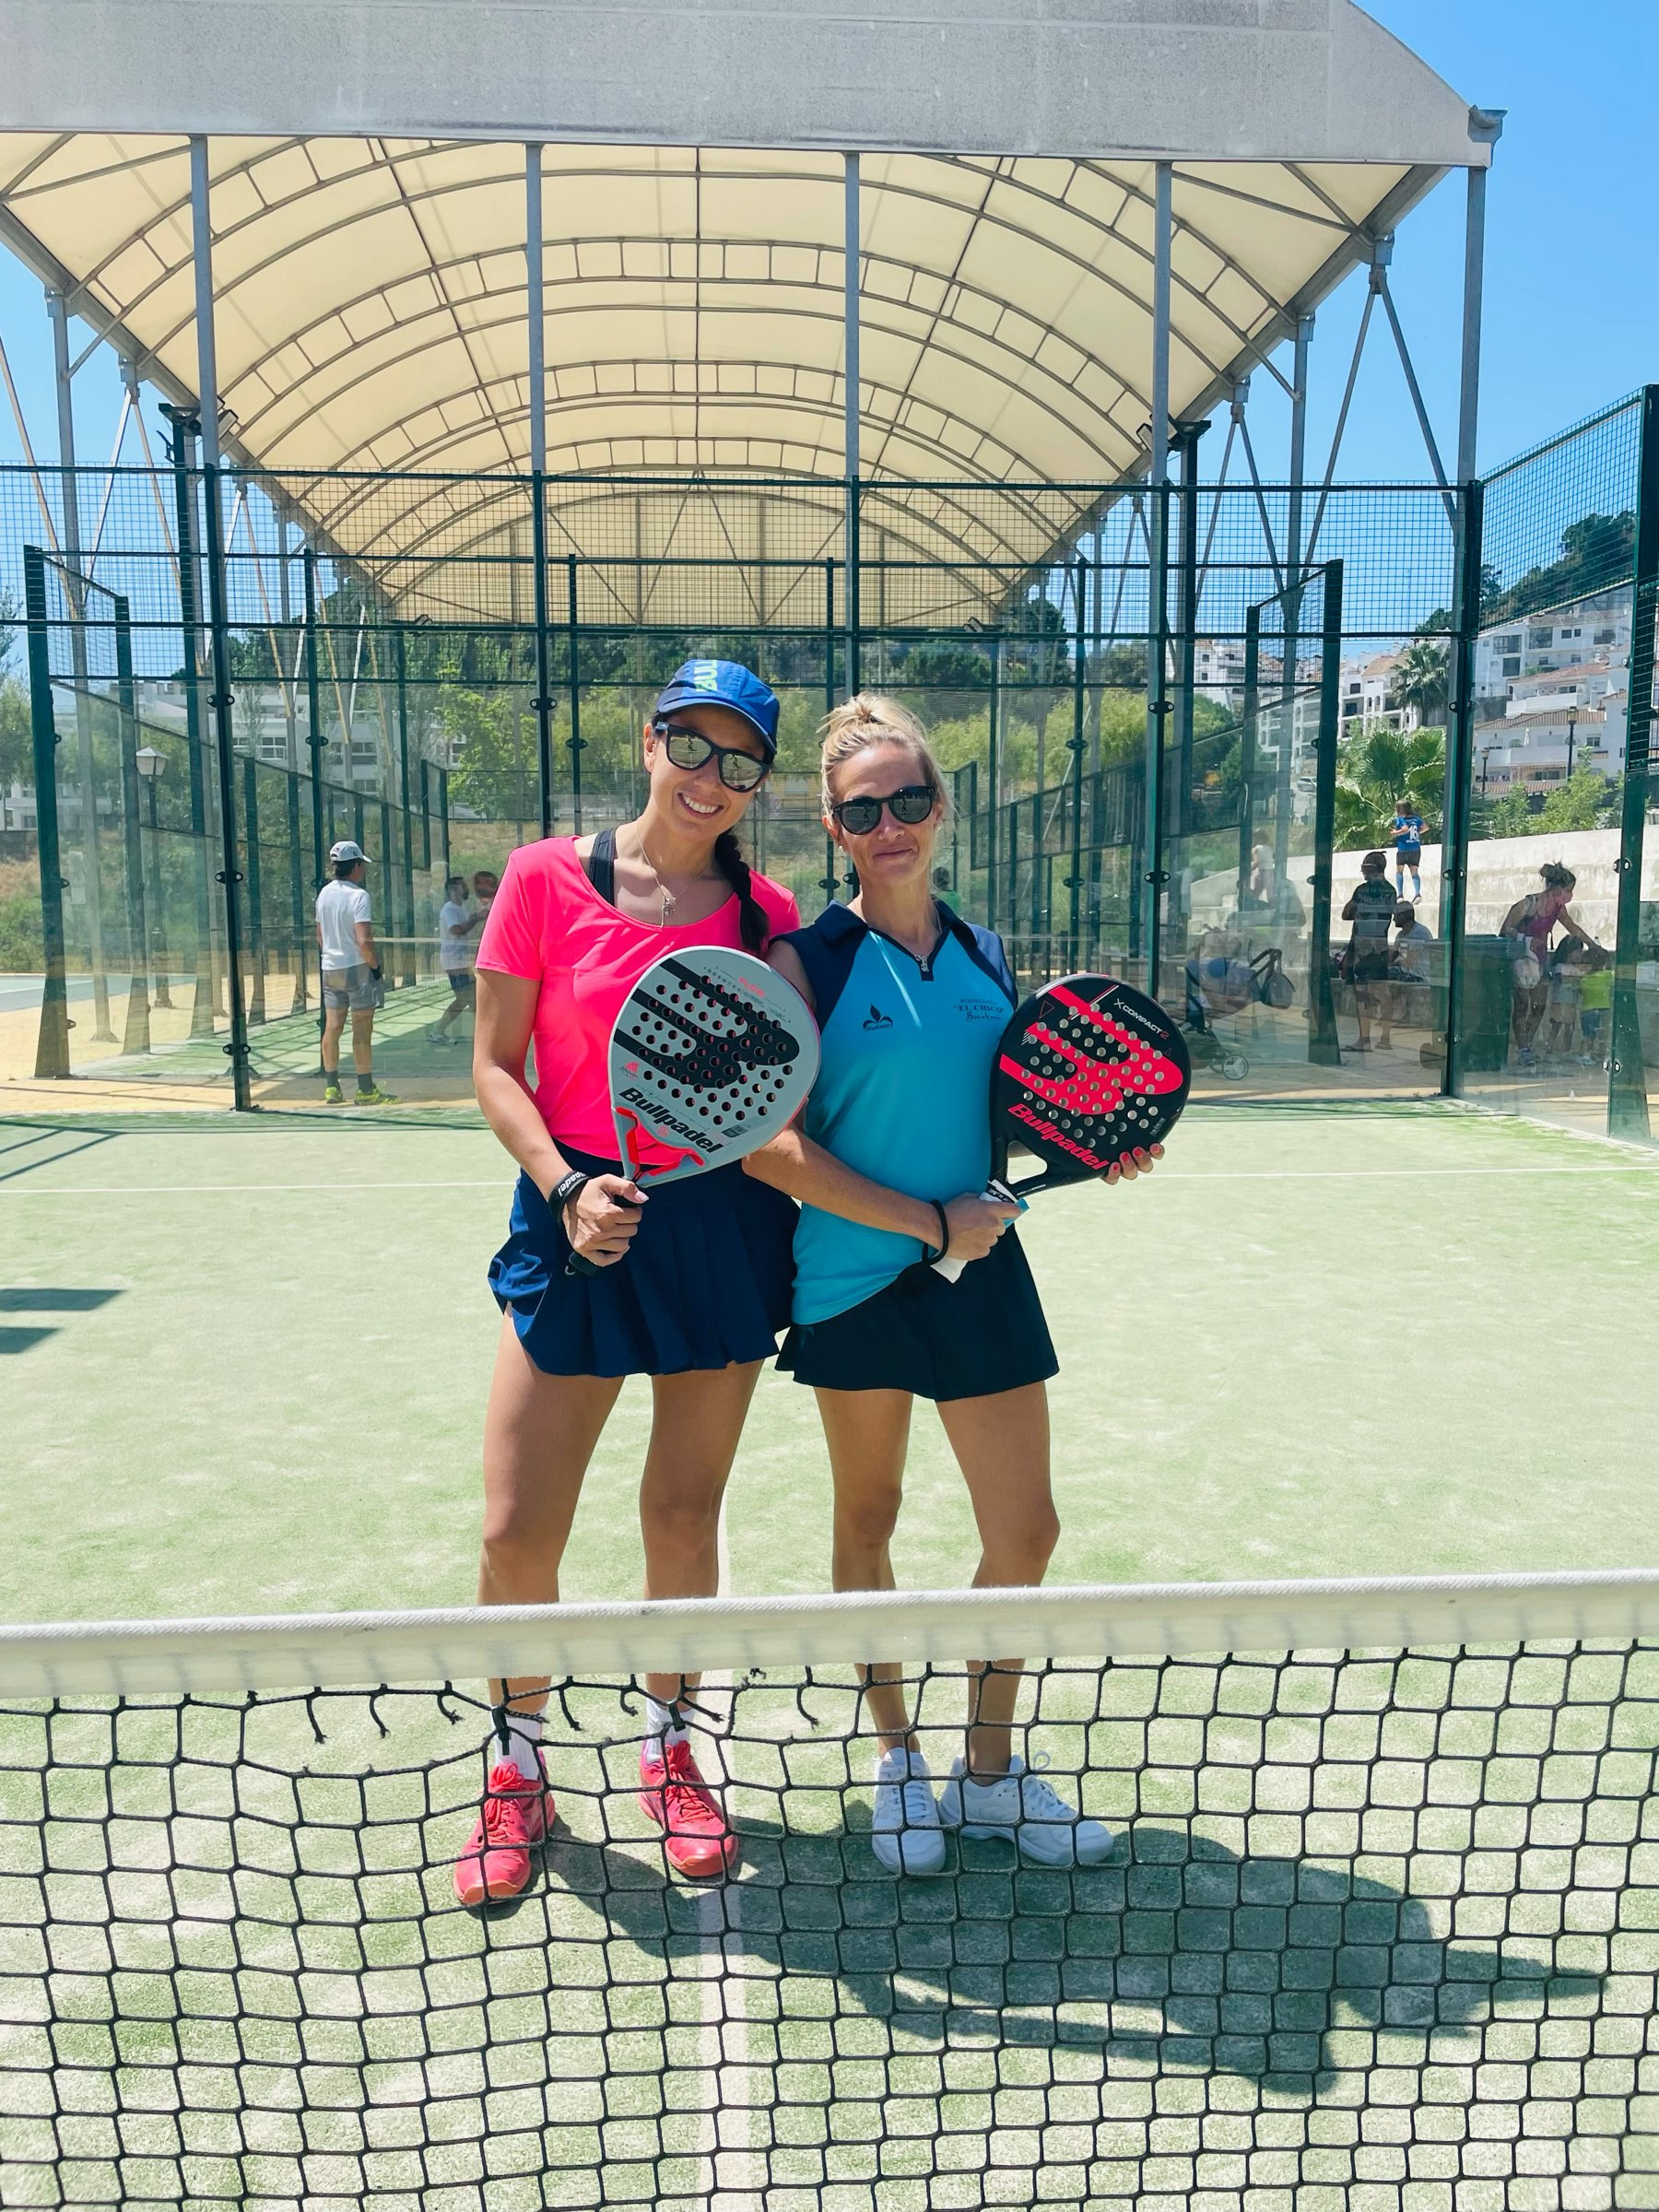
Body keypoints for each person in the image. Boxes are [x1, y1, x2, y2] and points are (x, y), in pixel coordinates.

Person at [747, 696, 1159, 1877]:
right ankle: (899, 1762)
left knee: (1026, 1527)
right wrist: (926, 1224)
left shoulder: (986, 955)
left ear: (942, 807)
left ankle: (987, 1775)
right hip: (853, 1280)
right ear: (833, 828)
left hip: (982, 1270)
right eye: (863, 810)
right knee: (868, 1519)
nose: (890, 826)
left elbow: (1012, 1112)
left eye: (909, 800)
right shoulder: (804, 963)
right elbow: (772, 1147)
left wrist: (1096, 1142)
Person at [454, 661, 802, 1907]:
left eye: (740, 760)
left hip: (720, 1227)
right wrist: (565, 1187)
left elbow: (789, 1084)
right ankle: (517, 1769)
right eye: (691, 746)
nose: (711, 777)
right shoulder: (541, 878)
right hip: (572, 1213)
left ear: (761, 781)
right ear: (650, 743)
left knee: (682, 1515)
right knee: (514, 1531)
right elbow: (495, 1066)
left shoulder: (767, 914)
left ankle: (671, 1750)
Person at [315, 839, 396, 1106]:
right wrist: (375, 969)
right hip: (358, 969)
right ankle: (365, 1089)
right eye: (362, 864)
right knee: (362, 1030)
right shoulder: (359, 896)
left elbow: (320, 936)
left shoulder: (324, 894)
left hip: (330, 969)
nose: (364, 869)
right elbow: (364, 940)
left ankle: (332, 1087)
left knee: (332, 1027)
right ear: (356, 866)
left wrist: (333, 956)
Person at [1500, 863, 1597, 1073]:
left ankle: (1528, 1044)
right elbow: (1506, 929)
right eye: (1569, 890)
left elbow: (1572, 927)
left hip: (1541, 961)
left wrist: (1592, 944)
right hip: (1522, 961)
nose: (1570, 895)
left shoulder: (1558, 909)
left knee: (1539, 1006)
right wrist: (1526, 939)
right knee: (1522, 1006)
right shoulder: (1528, 904)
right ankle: (1523, 1048)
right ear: (1557, 889)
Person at [1341, 851, 1396, 1052]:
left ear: (1372, 868)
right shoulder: (1391, 891)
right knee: (1383, 992)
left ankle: (1364, 1039)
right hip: (1380, 947)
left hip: (1362, 947)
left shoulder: (1361, 890)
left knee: (1362, 993)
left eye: (1365, 867)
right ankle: (1385, 1038)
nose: (1363, 872)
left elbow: (1347, 913)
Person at [428, 874, 481, 1044]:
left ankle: (483, 1033)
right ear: (453, 891)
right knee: (466, 998)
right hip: (454, 962)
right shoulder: (449, 909)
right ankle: (437, 1031)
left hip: (461, 961)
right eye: (462, 886)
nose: (466, 889)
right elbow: (457, 930)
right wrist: (475, 919)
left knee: (472, 997)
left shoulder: (461, 909)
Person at [1388, 900, 1434, 1033]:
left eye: (1396, 915)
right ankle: (1392, 1013)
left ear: (1403, 916)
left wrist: (1394, 964)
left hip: (1419, 973)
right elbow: (1392, 957)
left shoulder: (1419, 933)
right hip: (1406, 970)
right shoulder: (1401, 935)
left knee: (1389, 974)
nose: (1393, 919)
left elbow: (1410, 961)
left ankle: (1394, 1013)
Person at [1578, 947, 1613, 1066]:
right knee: (1600, 1035)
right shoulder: (1606, 976)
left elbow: (1581, 991)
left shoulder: (1584, 978)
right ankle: (1596, 1055)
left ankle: (1585, 1054)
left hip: (1586, 1010)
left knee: (1587, 1035)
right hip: (1602, 1009)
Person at [1391, 798, 1426, 902]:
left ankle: (1400, 895)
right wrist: (1417, 833)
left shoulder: (1400, 819)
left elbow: (1405, 829)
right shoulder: (1416, 819)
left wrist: (1396, 833)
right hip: (1415, 848)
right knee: (1414, 872)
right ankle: (1417, 894)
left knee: (1399, 871)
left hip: (1403, 848)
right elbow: (1425, 828)